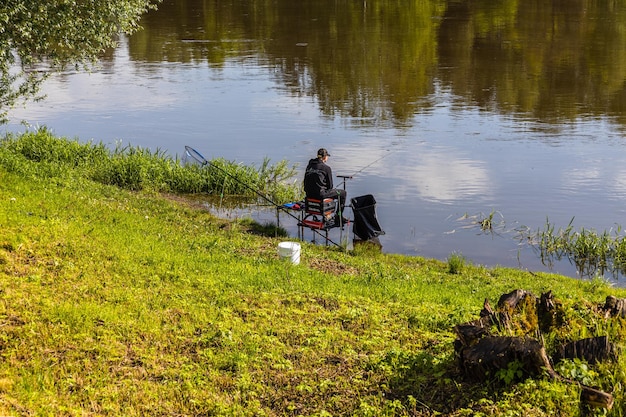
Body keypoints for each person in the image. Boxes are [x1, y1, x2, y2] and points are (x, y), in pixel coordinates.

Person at [304, 148, 348, 225]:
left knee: (327, 191)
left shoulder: (309, 166)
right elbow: (330, 186)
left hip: (309, 195)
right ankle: (338, 216)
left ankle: (331, 214)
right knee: (343, 193)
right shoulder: (326, 168)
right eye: (327, 156)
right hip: (320, 195)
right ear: (324, 157)